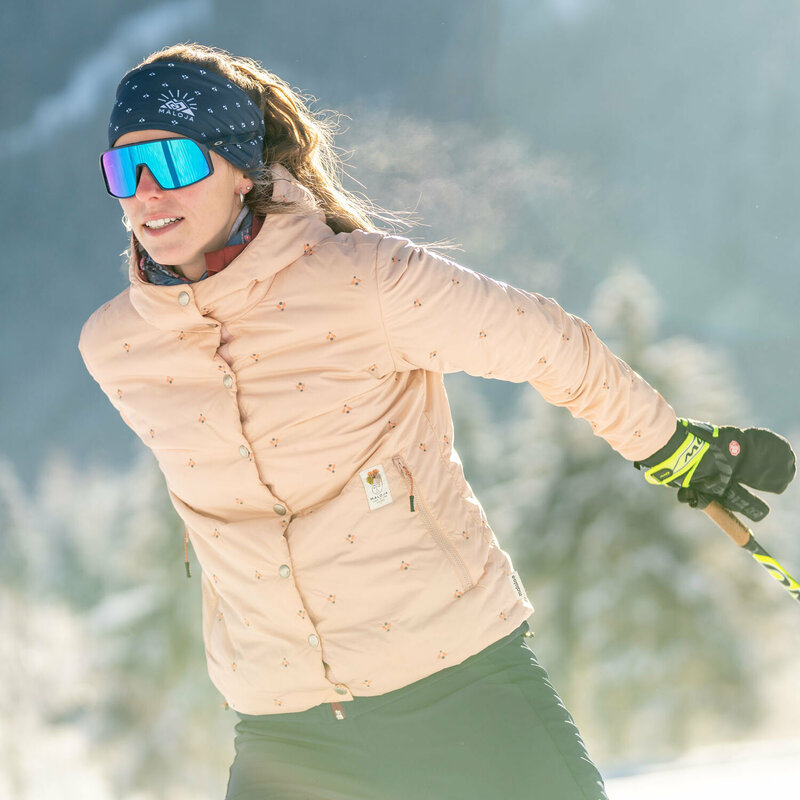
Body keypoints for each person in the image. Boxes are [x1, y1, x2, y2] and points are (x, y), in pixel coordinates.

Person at [79, 43, 796, 800]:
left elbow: (551, 345)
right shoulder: (117, 347)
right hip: (283, 728)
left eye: (175, 163)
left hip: (460, 689)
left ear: (240, 169)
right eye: (127, 171)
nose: (150, 192)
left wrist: (673, 448)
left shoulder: (368, 282)